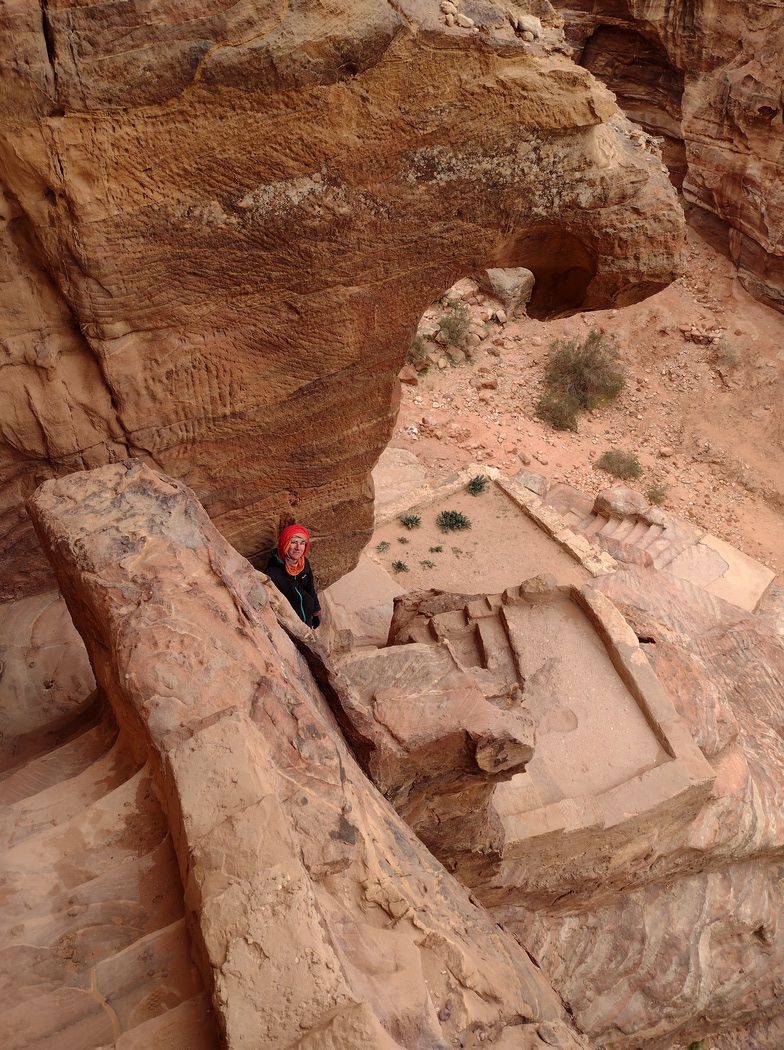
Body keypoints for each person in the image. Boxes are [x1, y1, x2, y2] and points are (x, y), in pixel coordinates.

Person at [265, 524, 321, 629]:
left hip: (307, 617)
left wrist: (316, 611)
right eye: (293, 542)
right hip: (291, 624)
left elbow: (310, 588)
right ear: (285, 543)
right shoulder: (272, 573)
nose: (298, 548)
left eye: (302, 543)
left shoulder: (304, 563)